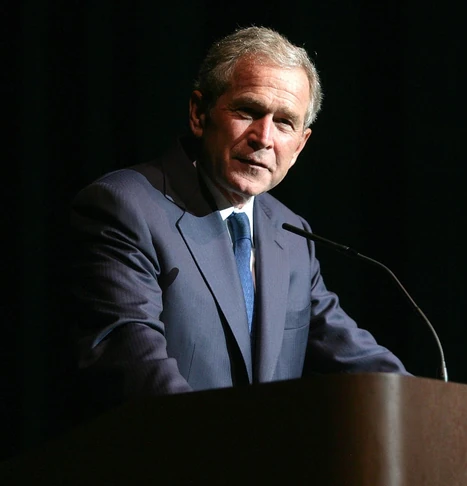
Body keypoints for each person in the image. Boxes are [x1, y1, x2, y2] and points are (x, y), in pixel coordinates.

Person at [69, 25, 408, 400]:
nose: (264, 137)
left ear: (299, 146)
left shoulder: (291, 233)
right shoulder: (124, 207)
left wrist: (435, 409)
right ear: (199, 114)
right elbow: (134, 359)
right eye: (248, 111)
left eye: (284, 122)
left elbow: (352, 355)